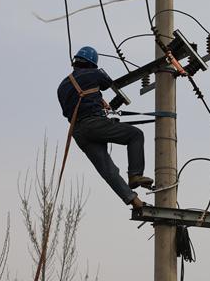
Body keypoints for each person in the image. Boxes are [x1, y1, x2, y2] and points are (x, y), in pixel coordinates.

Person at [57, 46, 153, 209]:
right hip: (94, 124)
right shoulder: (94, 73)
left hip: (78, 133)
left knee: (107, 169)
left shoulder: (62, 87)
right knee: (135, 135)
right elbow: (107, 83)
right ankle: (135, 175)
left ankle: (135, 202)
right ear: (92, 64)